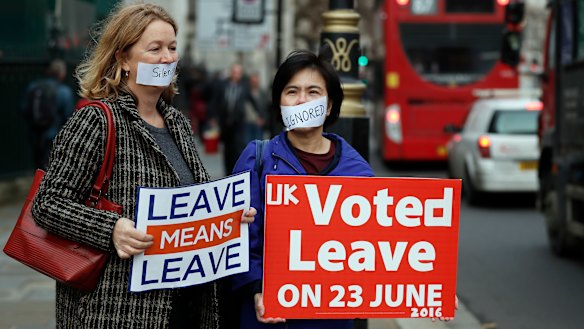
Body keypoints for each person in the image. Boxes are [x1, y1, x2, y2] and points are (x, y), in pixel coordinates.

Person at [31, 3, 255, 328]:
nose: (167, 57)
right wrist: (112, 229)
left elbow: (195, 201)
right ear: (123, 59)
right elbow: (48, 205)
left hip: (185, 306)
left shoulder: (176, 121)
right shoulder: (95, 120)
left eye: (172, 47)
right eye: (155, 48)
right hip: (117, 310)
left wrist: (229, 216)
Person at [231, 50, 374, 329]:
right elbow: (239, 239)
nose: (302, 100)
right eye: (292, 91)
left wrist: (426, 289)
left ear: (330, 105)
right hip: (269, 316)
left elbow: (377, 249)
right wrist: (257, 290)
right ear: (279, 103)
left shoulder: (358, 171)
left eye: (313, 92)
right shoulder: (257, 159)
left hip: (331, 319)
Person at [21, 58, 74, 169]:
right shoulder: (64, 91)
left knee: (38, 168)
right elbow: (68, 118)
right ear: (62, 74)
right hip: (53, 137)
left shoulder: (33, 87)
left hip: (34, 135)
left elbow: (23, 109)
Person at [209, 63, 258, 174]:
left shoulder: (244, 86)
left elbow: (251, 100)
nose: (236, 75)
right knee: (227, 149)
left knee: (237, 147)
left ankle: (236, 172)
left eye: (238, 72)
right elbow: (215, 101)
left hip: (238, 122)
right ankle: (227, 172)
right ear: (231, 73)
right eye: (234, 72)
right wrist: (212, 116)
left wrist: (259, 115)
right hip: (225, 122)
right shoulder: (223, 85)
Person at [244, 72, 268, 142]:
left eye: (256, 81)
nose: (255, 83)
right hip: (248, 122)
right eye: (253, 81)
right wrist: (256, 119)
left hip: (260, 123)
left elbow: (265, 107)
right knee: (249, 143)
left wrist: (263, 119)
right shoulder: (246, 93)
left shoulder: (262, 93)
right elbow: (246, 108)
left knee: (259, 144)